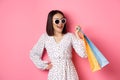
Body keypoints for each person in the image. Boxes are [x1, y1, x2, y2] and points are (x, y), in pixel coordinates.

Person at [30, 10, 87, 80]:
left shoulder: (70, 36)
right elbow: (33, 53)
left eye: (63, 21)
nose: (60, 23)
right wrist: (44, 65)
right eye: (57, 21)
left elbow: (83, 54)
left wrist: (77, 35)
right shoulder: (45, 37)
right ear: (50, 22)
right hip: (54, 74)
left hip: (69, 73)